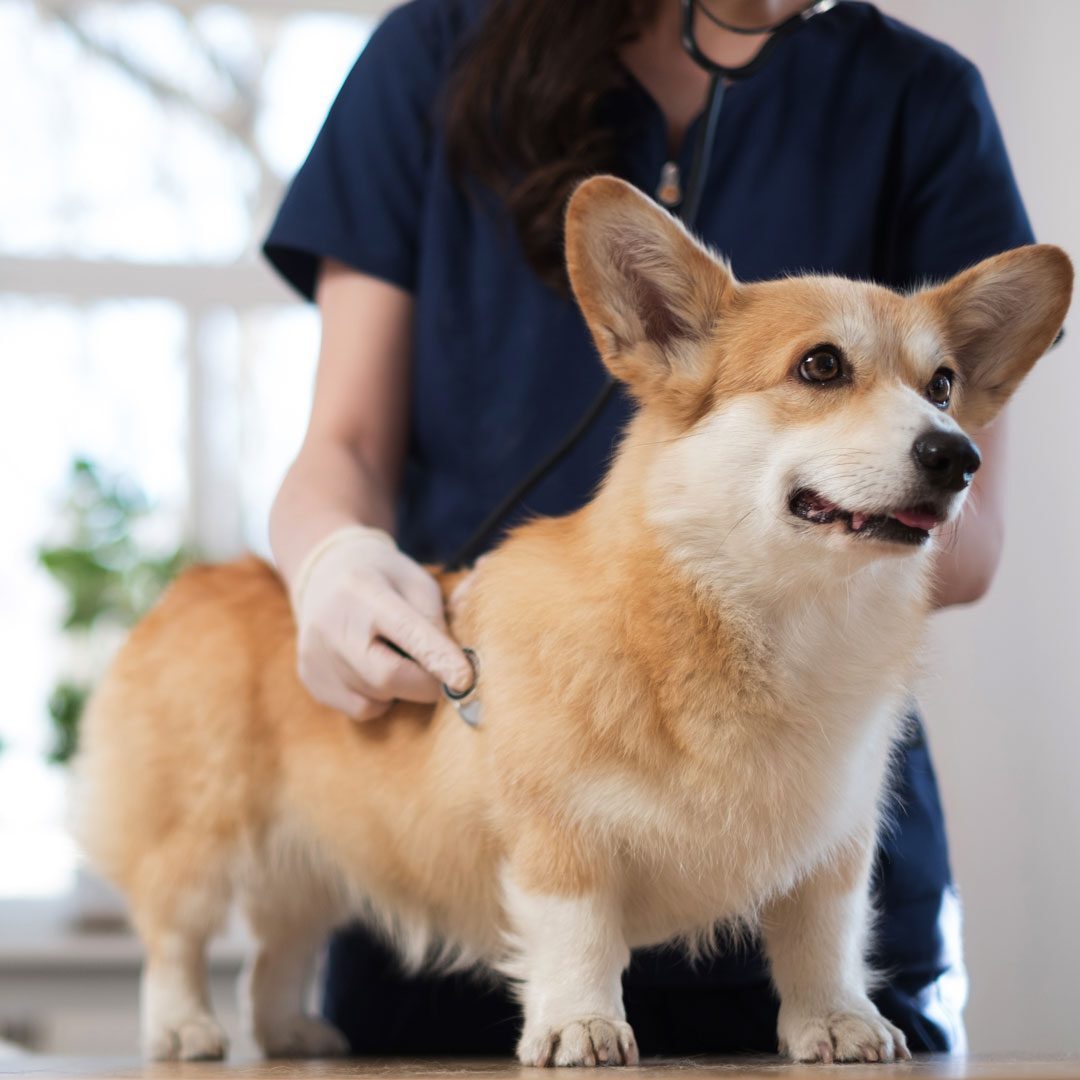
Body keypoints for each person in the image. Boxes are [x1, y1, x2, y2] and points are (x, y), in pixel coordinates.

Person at [264, 0, 1033, 1056]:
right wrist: (332, 561)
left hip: (807, 835)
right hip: (480, 815)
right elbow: (342, 446)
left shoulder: (920, 95)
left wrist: (749, 565)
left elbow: (967, 532)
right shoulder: (438, 50)